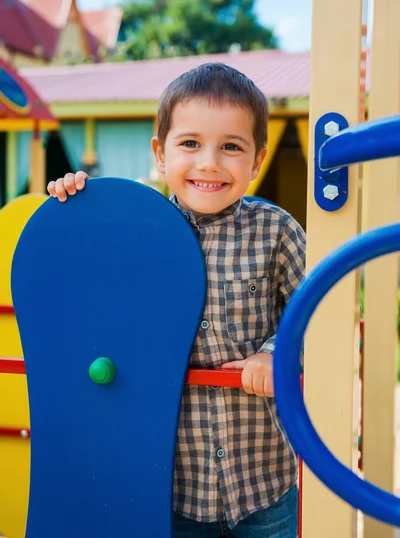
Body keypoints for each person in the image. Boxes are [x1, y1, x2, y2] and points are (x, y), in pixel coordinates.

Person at [47, 62, 306, 538]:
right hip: (169, 483)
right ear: (160, 154)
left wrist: (278, 354)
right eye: (190, 144)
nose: (209, 162)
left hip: (261, 479)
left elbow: (314, 313)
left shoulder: (277, 231)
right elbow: (85, 288)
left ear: (259, 158)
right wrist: (74, 206)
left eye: (231, 146)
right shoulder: (132, 230)